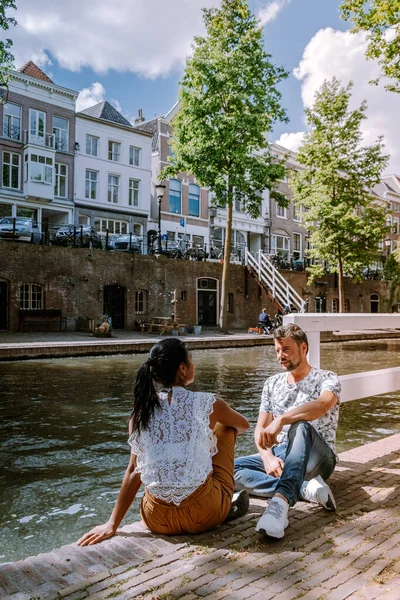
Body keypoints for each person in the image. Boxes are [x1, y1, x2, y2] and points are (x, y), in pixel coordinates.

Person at [77, 338, 249, 546]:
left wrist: (112, 524)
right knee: (226, 427)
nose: (193, 365)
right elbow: (243, 426)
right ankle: (224, 502)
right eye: (191, 361)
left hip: (157, 518)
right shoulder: (208, 402)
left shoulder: (141, 412)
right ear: (183, 369)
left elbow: (134, 470)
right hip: (204, 513)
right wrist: (206, 437)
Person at [234, 323, 341, 539]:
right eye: (277, 350)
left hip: (317, 458)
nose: (280, 356)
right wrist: (267, 458)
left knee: (300, 426)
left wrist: (282, 419)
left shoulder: (327, 378)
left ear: (303, 348)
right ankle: (303, 489)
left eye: (286, 350)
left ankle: (279, 505)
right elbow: (260, 430)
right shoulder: (271, 384)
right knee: (225, 468)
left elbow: (322, 405)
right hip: (282, 455)